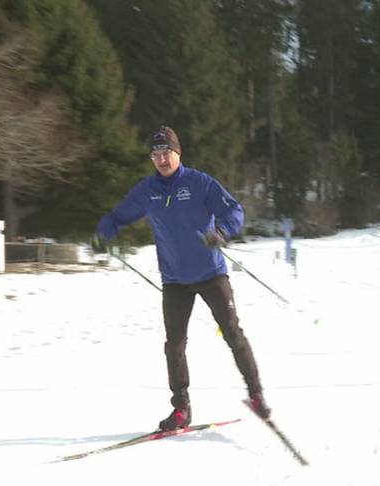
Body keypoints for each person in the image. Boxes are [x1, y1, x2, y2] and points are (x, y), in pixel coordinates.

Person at [93, 126, 270, 431]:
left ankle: (256, 394)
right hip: (174, 280)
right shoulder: (147, 191)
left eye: (167, 154)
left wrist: (222, 232)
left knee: (232, 333)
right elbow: (117, 216)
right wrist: (102, 233)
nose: (161, 160)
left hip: (211, 273)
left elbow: (234, 211)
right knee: (174, 345)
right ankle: (181, 408)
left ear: (178, 154)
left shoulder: (199, 183)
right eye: (156, 155)